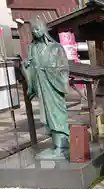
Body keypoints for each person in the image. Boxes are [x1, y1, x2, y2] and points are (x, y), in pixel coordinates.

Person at [21, 20, 70, 159]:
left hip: (53, 86)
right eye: (33, 31)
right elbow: (30, 66)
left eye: (37, 29)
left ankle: (62, 145)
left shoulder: (56, 48)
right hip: (42, 86)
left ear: (43, 29)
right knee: (48, 117)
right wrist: (26, 67)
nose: (35, 32)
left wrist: (48, 70)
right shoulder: (32, 48)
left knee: (57, 115)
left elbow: (63, 68)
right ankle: (57, 145)